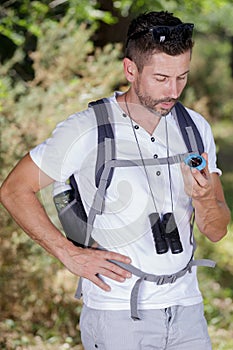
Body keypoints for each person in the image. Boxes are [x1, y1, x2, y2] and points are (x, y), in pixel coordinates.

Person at [0, 10, 230, 350]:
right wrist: (69, 255)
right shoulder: (86, 129)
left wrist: (205, 198)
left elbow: (217, 230)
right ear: (130, 70)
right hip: (118, 315)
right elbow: (14, 190)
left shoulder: (195, 128)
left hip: (187, 311)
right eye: (161, 78)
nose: (174, 91)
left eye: (182, 77)